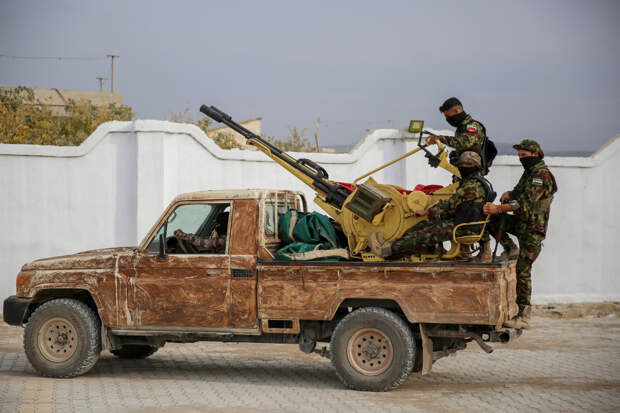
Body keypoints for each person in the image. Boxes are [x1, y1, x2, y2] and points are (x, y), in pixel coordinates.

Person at [483, 139, 557, 329]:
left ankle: (524, 315)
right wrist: (510, 193)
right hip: (522, 224)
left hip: (532, 230)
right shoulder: (530, 173)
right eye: (519, 156)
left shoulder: (540, 175)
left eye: (524, 156)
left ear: (535, 154)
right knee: (491, 221)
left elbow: (524, 205)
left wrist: (499, 208)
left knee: (523, 271)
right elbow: (519, 194)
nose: (521, 159)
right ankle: (510, 248)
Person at [368, 151, 495, 259]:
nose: (463, 166)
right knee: (422, 225)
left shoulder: (472, 185)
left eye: (467, 164)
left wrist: (428, 212)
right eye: (461, 164)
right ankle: (397, 252)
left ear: (476, 166)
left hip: (464, 226)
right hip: (466, 221)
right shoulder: (482, 182)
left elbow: (451, 203)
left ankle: (386, 250)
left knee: (426, 231)